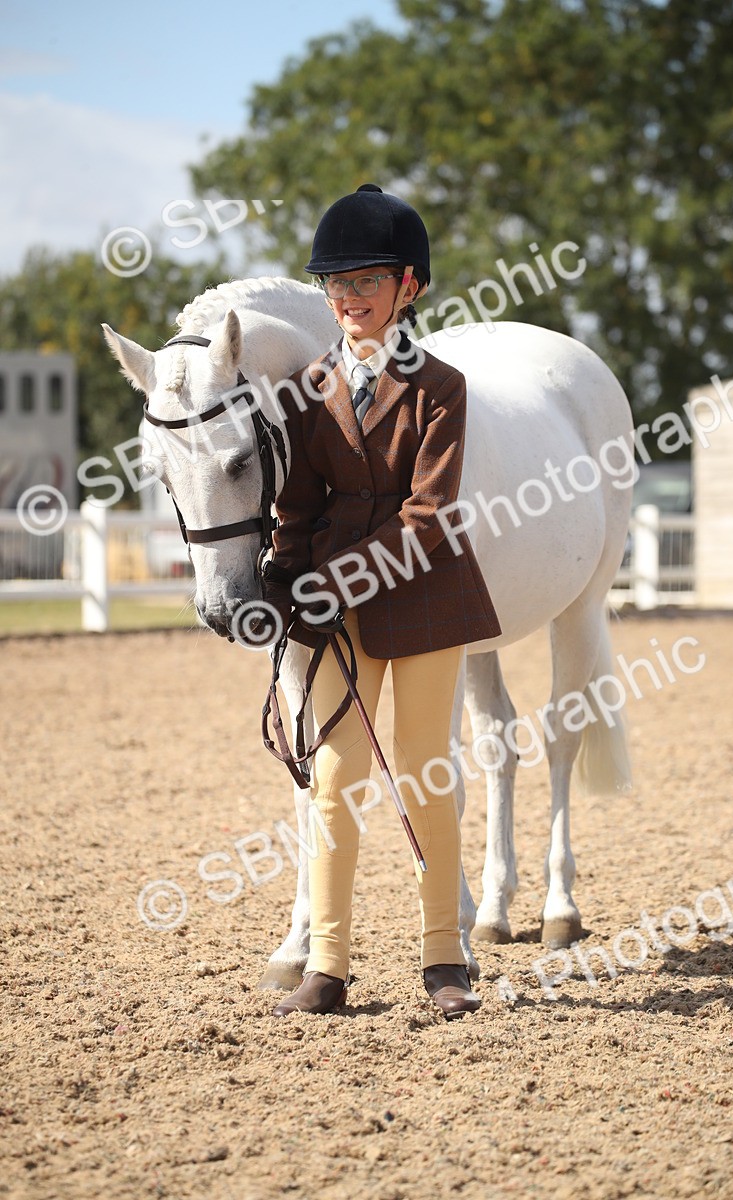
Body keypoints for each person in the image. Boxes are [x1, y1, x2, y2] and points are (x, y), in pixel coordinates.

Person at [261, 183, 501, 1018]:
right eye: (337, 283)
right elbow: (298, 501)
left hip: (426, 598)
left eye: (367, 281)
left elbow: (429, 517)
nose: (350, 297)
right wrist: (286, 569)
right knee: (333, 777)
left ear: (410, 287)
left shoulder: (442, 387)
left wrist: (336, 579)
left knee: (427, 774)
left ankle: (445, 959)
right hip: (332, 608)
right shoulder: (308, 386)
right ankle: (328, 962)